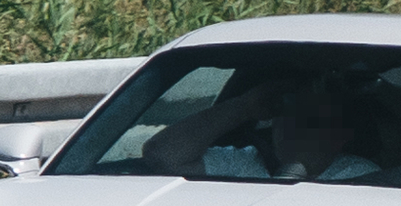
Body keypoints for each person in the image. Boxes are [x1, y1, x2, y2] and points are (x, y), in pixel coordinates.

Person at [144, 76, 380, 181]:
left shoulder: (356, 174)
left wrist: (298, 166)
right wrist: (243, 107)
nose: (296, 129)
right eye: (290, 116)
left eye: (313, 122)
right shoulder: (244, 161)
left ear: (339, 135)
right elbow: (163, 154)